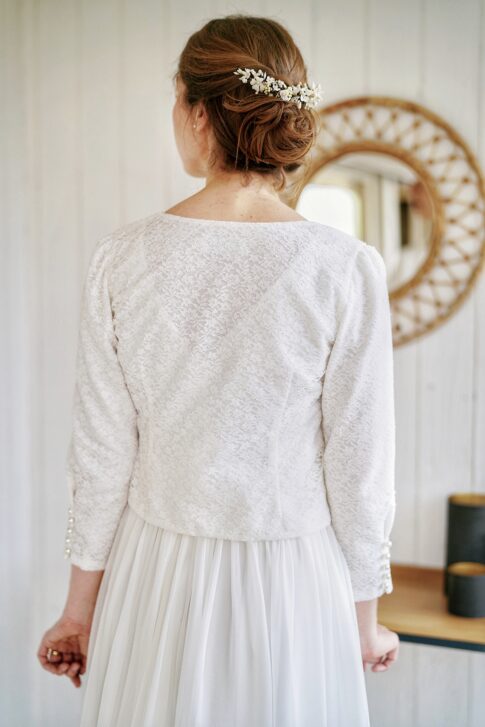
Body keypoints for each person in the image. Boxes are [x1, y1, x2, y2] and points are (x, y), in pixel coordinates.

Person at [37, 13, 399, 726]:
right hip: (294, 582)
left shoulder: (122, 257)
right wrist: (364, 623)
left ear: (198, 112)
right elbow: (360, 466)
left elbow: (102, 454)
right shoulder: (345, 268)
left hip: (154, 577)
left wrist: (78, 613)